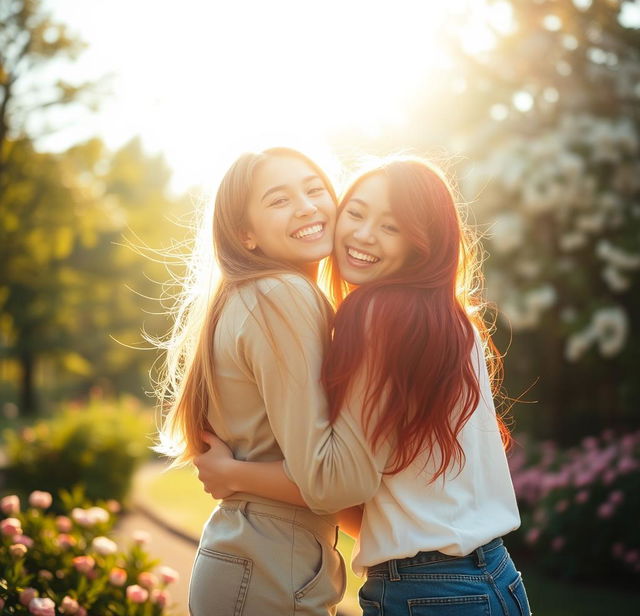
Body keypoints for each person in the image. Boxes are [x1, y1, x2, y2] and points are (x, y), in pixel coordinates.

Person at [195, 156, 532, 616]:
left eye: (391, 226)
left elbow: (337, 482)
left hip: (432, 587)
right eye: (355, 213)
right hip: (489, 578)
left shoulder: (380, 318)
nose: (363, 234)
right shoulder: (448, 320)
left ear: (421, 244)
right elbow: (377, 497)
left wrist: (236, 475)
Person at [155, 147, 389, 616]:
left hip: (254, 556)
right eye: (278, 200)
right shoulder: (283, 295)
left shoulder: (253, 294)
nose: (306, 206)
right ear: (246, 233)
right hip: (268, 565)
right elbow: (331, 480)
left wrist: (235, 475)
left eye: (314, 188)